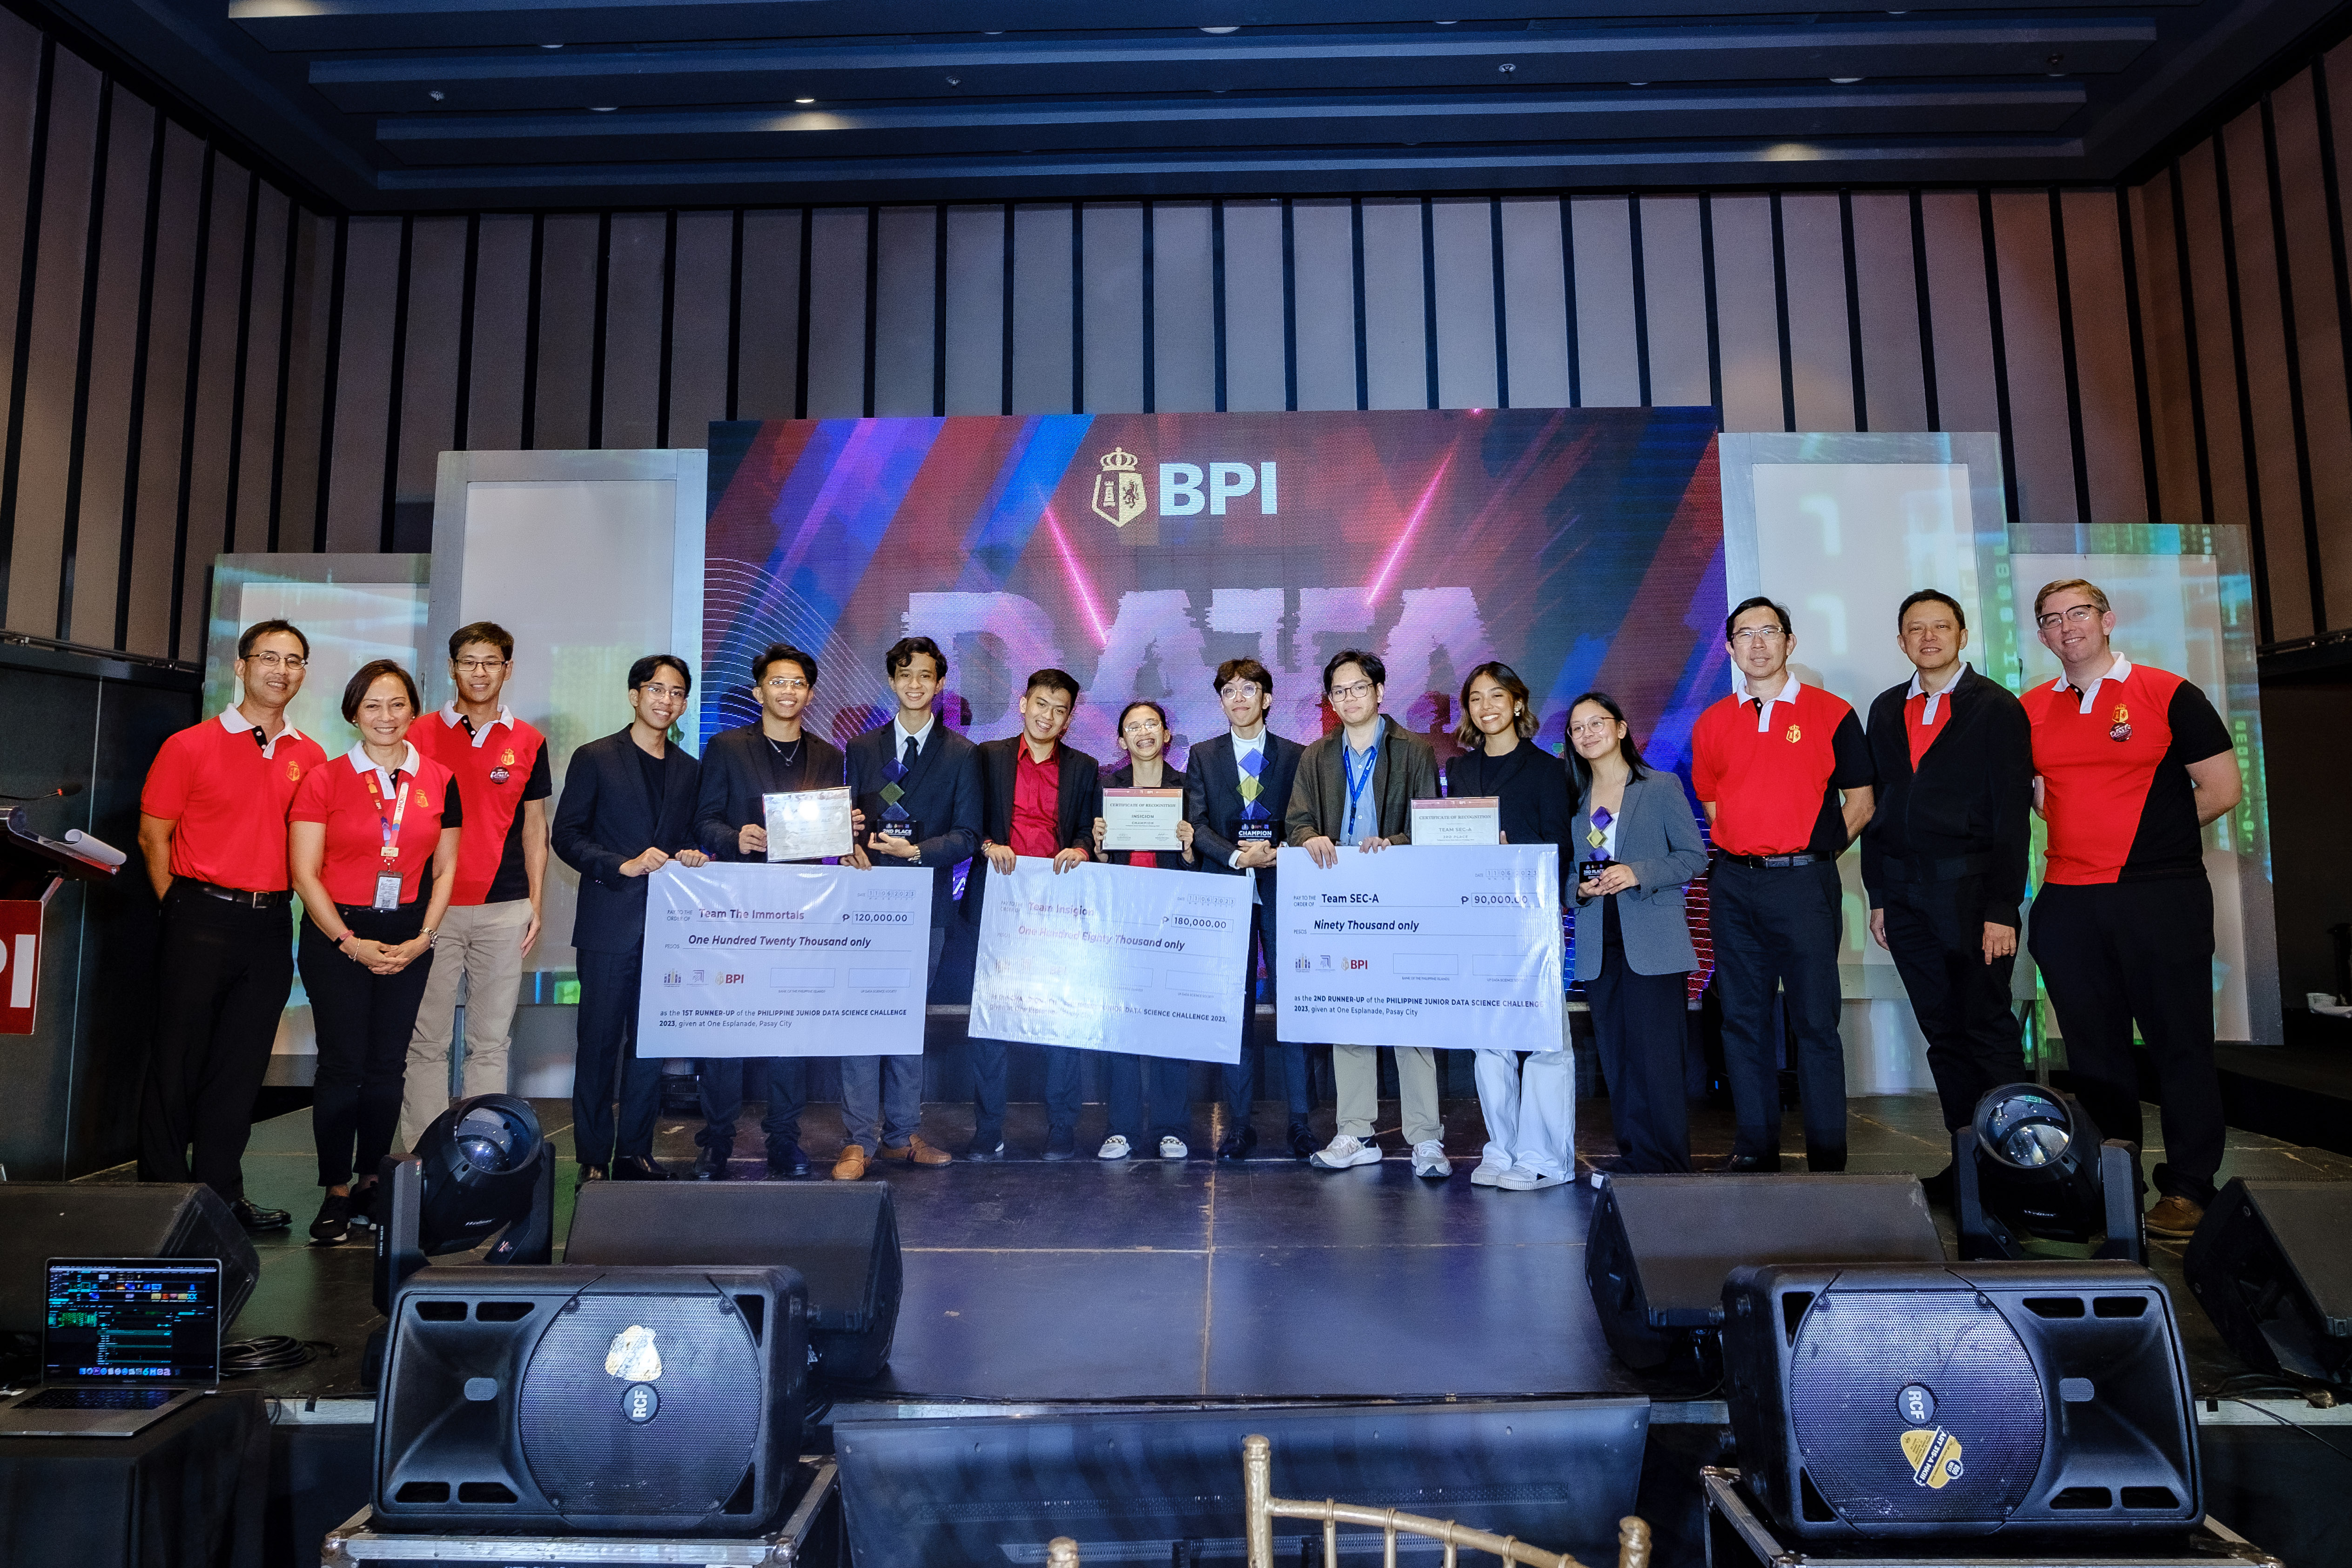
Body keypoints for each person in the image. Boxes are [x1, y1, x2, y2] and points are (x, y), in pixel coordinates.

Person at [2020, 578, 2242, 1239]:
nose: (2066, 627)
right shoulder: (2030, 709)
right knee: (2093, 1055)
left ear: (2107, 619)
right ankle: (2109, 1183)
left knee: (2179, 1044)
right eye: (2051, 619)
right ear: (2041, 634)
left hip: (2159, 894)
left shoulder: (2167, 693)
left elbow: (2222, 789)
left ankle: (2188, 1188)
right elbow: (2040, 798)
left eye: (2078, 613)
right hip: (2068, 899)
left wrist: (2144, 840)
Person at [135, 619, 328, 1232]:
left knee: (240, 1068)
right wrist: (179, 906)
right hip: (197, 916)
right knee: (176, 1060)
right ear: (241, 667)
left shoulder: (311, 756)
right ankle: (163, 1195)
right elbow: (154, 837)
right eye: (269, 657)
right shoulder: (189, 745)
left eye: (294, 660)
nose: (281, 670)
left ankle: (221, 1195)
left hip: (270, 925)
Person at [1859, 590, 2033, 1201]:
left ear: (1961, 635)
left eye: (1940, 626)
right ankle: (1968, 1166)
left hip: (1971, 891)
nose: (1928, 637)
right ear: (1901, 641)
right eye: (1915, 629)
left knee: (1986, 1028)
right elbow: (1877, 807)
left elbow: (2012, 815)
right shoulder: (1885, 708)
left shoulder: (1996, 707)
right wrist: (1878, 895)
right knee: (1942, 1034)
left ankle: (2016, 1168)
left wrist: (2001, 908)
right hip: (1903, 896)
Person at [1690, 597, 1875, 1173]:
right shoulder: (1712, 722)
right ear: (1729, 648)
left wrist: (1812, 854)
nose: (1757, 644)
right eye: (1744, 634)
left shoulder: (1831, 712)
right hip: (1734, 885)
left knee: (1814, 1022)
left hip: (1804, 886)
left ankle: (1826, 1153)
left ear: (1789, 642)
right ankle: (1755, 1146)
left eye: (1768, 631)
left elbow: (1861, 803)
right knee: (1741, 1020)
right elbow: (1714, 804)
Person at [288, 660, 462, 1245]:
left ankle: (370, 1182)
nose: (385, 717)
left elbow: (445, 870)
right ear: (353, 713)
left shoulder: (440, 779)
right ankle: (335, 1190)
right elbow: (305, 874)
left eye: (397, 704)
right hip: (337, 934)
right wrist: (349, 942)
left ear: (414, 710)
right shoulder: (324, 779)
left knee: (389, 1065)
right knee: (343, 1065)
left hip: (410, 934)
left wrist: (424, 938)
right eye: (372, 706)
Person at [686, 640, 847, 1181]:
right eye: (778, 682)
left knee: (789, 1029)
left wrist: (847, 837)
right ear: (759, 692)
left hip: (801, 910)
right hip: (738, 907)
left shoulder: (827, 756)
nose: (788, 691)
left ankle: (784, 1139)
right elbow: (703, 821)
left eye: (798, 683)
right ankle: (717, 1141)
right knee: (726, 1027)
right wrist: (736, 838)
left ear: (810, 693)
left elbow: (830, 834)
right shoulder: (727, 748)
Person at [1286, 649, 1447, 1178]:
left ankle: (1425, 1137)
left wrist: (1394, 842)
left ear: (1379, 691)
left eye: (1359, 687)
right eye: (1339, 691)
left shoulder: (1414, 750)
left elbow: (1428, 826)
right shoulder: (1316, 756)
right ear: (1330, 701)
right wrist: (1309, 838)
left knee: (1410, 1017)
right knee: (1348, 1012)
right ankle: (1356, 1131)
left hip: (1399, 898)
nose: (1349, 698)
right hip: (1339, 900)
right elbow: (1297, 821)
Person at [550, 654, 710, 1184]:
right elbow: (567, 836)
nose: (666, 700)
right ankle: (594, 1155)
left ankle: (635, 1151)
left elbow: (692, 836)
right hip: (608, 922)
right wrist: (620, 864)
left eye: (677, 692)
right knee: (598, 1044)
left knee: (649, 1047)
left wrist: (695, 853)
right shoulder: (595, 757)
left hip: (668, 932)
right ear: (634, 695)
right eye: (657, 689)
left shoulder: (689, 769)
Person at [398, 621, 551, 1152]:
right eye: (469, 661)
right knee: (427, 1041)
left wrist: (536, 902)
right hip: (431, 910)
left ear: (508, 669)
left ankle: (482, 1153)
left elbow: (535, 827)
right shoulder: (417, 733)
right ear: (451, 667)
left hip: (505, 908)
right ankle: (424, 1156)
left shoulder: (529, 740)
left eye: (491, 662)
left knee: (490, 1042)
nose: (479, 672)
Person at [841, 635, 980, 1178]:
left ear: (939, 683)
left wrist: (918, 851)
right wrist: (847, 840)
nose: (915, 684)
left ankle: (900, 1136)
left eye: (925, 675)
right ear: (891, 681)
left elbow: (967, 834)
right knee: (859, 1019)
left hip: (925, 905)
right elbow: (844, 822)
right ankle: (857, 1140)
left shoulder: (961, 754)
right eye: (904, 674)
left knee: (904, 1021)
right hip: (865, 900)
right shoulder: (861, 749)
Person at [1445, 662, 1577, 1189]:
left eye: (1496, 695)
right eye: (1476, 698)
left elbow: (1561, 848)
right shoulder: (1459, 771)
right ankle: (1501, 1148)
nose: (1486, 707)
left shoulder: (1548, 770)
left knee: (1544, 1038)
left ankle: (1546, 1157)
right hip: (1478, 917)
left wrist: (1513, 855)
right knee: (1489, 1037)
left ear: (1518, 703)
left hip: (1532, 918)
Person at [1567, 691, 1709, 1175]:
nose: (1587, 734)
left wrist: (1636, 872)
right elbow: (1567, 877)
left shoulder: (1659, 786)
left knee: (1658, 1059)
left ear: (1621, 728)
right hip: (1598, 943)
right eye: (1577, 728)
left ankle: (1666, 1163)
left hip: (1652, 941)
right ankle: (1635, 1158)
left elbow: (1693, 857)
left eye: (1596, 723)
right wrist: (1579, 889)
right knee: (1618, 1058)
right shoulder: (1576, 800)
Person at [965, 668, 1100, 1160]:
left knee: (1060, 1019)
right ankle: (988, 1129)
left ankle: (1061, 1126)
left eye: (1060, 710)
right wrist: (987, 844)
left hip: (1057, 908)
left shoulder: (1084, 767)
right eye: (1041, 704)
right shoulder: (987, 757)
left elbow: (1088, 829)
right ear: (1023, 704)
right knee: (991, 1023)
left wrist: (1082, 849)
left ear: (1069, 719)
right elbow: (968, 820)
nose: (1048, 716)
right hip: (998, 905)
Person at [1184, 657, 1313, 1160]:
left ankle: (1300, 1121)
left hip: (1284, 890)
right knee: (1233, 1010)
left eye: (1248, 689)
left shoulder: (1297, 755)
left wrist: (1279, 851)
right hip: (1227, 890)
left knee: (1293, 1007)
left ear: (1267, 698)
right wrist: (1239, 857)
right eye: (1229, 691)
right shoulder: (1203, 755)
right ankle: (1238, 1125)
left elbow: (1305, 820)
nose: (1238, 699)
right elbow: (1196, 823)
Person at [1090, 699, 1198, 1161]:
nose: (1143, 732)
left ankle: (1173, 1127)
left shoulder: (1187, 787)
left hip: (1172, 917)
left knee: (1170, 1023)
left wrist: (1190, 850)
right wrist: (1098, 850)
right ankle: (1122, 1128)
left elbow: (1199, 864)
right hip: (1122, 918)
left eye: (1151, 723)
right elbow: (1099, 862)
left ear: (1166, 734)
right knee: (1123, 1024)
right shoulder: (1106, 788)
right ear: (1121, 740)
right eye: (1133, 727)